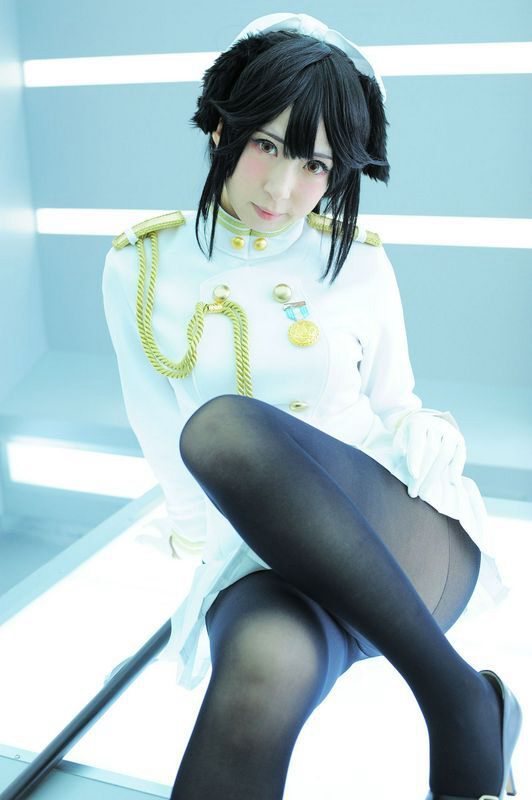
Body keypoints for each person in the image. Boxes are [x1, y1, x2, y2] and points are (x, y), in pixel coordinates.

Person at [102, 13, 522, 800]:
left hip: (395, 537)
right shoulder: (142, 267)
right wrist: (196, 540)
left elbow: (395, 401)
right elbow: (157, 429)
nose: (283, 189)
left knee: (222, 428)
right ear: (222, 126)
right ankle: (469, 702)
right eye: (267, 146)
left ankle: (454, 704)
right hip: (259, 559)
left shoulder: (356, 262)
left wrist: (426, 431)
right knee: (258, 676)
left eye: (315, 165)